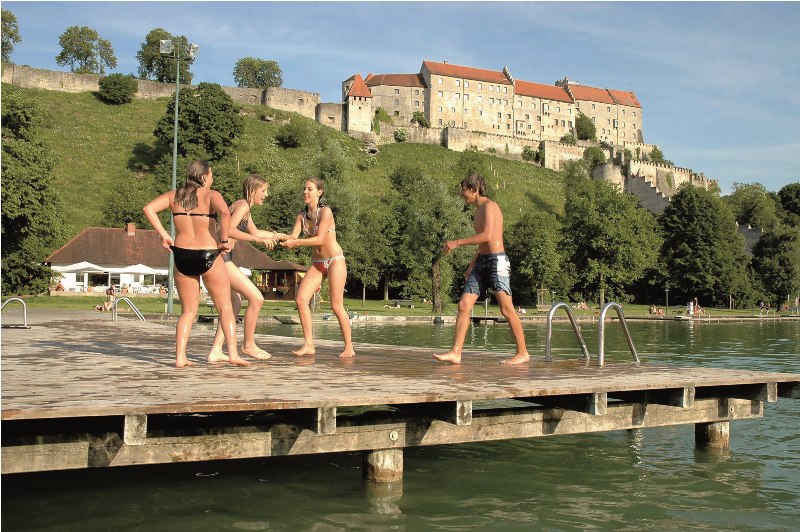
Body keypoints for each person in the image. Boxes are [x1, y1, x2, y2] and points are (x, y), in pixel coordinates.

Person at [143, 160, 250, 368]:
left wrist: (164, 235)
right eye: (211, 175)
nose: (213, 179)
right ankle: (234, 354)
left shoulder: (174, 196)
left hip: (182, 255)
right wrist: (225, 240)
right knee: (226, 306)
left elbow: (148, 209)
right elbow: (226, 213)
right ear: (203, 177)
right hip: (207, 253)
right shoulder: (211, 195)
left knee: (188, 311)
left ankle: (180, 357)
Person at [434, 173, 529, 365]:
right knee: (463, 305)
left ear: (474, 189)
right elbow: (482, 245)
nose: (462, 195)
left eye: (464, 191)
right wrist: (472, 264)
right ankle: (456, 352)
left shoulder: (490, 207)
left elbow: (487, 236)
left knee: (505, 308)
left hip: (497, 262)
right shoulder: (477, 212)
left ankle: (523, 353)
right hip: (481, 262)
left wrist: (457, 242)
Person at [208, 174, 289, 362]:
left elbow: (255, 231)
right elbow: (227, 230)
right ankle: (248, 344)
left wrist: (279, 235)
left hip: (221, 258)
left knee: (234, 304)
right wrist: (257, 240)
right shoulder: (243, 205)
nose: (266, 194)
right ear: (253, 190)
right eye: (264, 190)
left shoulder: (244, 207)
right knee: (256, 298)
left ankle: (216, 350)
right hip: (221, 259)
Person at [283, 177, 355, 358]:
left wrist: (297, 243)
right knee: (300, 299)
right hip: (317, 264)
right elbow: (293, 236)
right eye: (304, 189)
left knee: (336, 306)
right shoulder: (301, 216)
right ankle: (308, 344)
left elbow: (321, 238)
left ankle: (349, 347)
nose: (305, 192)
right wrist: (278, 237)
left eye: (310, 189)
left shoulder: (326, 212)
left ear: (319, 192)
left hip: (334, 261)